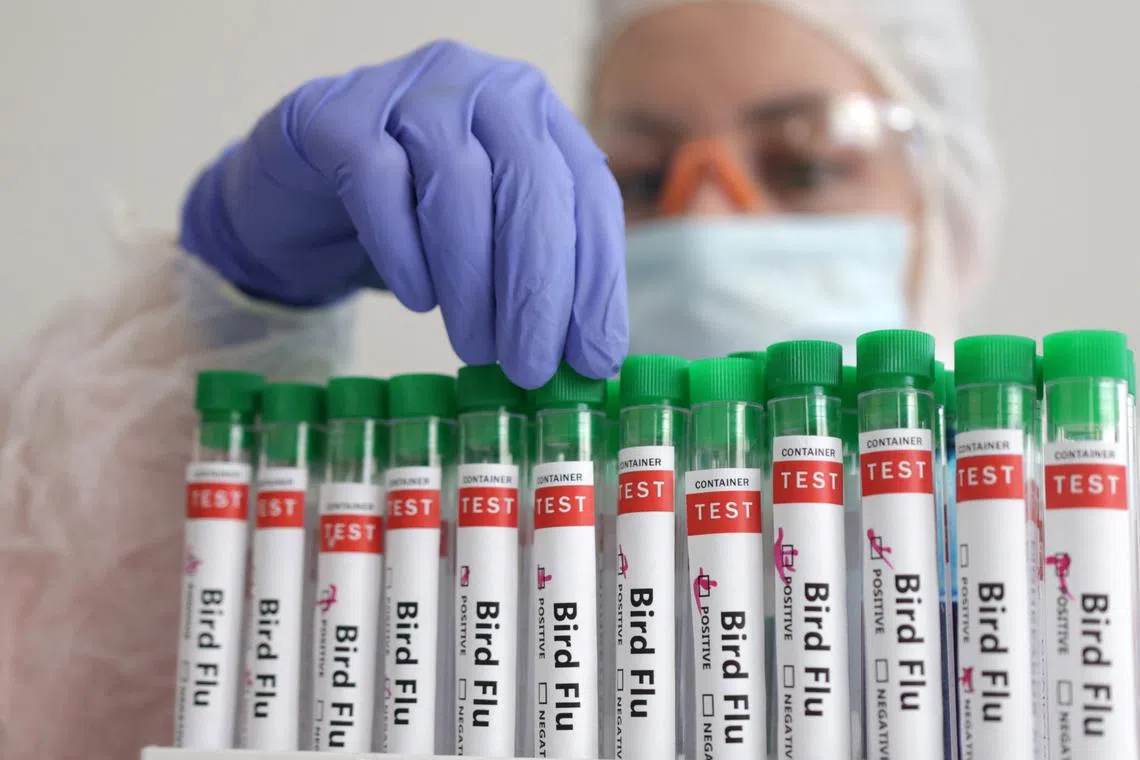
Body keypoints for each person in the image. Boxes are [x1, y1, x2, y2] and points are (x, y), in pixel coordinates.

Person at [0, 0, 996, 756]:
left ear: (945, 206)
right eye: (640, 176)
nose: (710, 223)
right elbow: (79, 699)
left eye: (808, 162)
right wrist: (232, 314)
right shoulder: (435, 590)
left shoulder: (1051, 566)